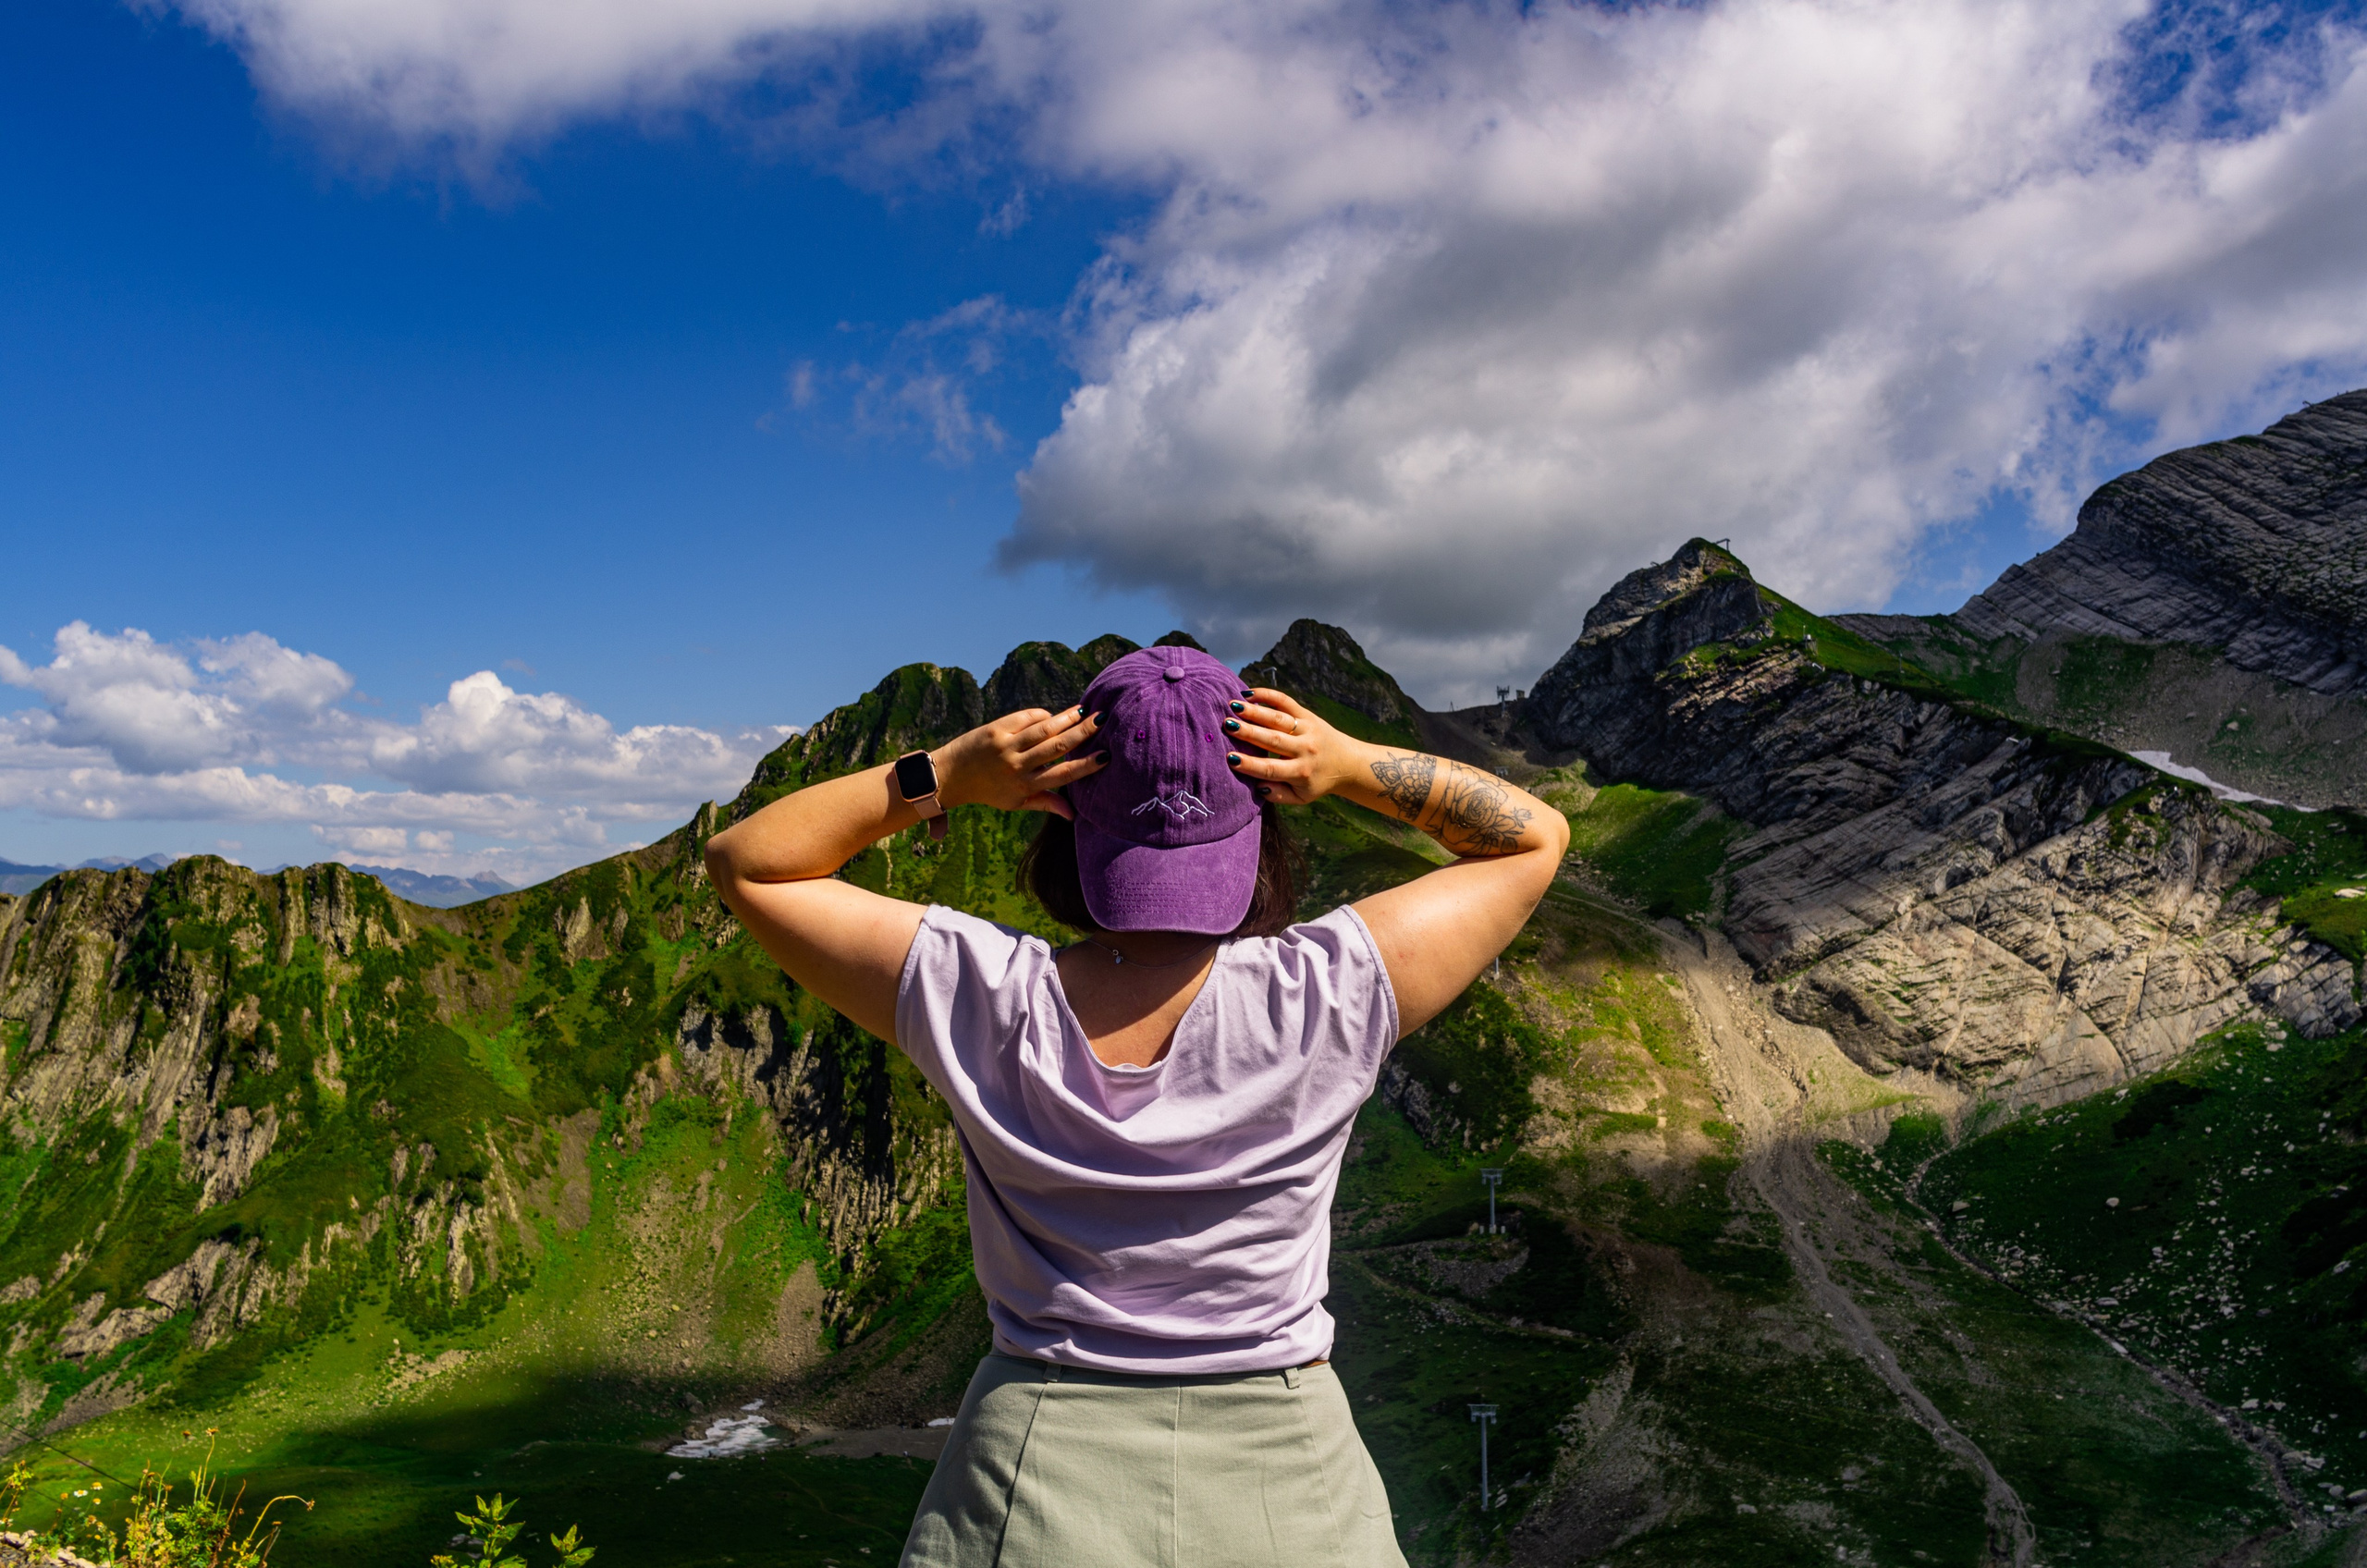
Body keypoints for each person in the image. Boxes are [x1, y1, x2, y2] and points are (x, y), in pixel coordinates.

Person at [705, 645, 1569, 1568]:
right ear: (1263, 826)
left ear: (1066, 820)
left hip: (1027, 1470)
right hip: (1289, 1474)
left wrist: (948, 775)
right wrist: (1349, 766)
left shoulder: (979, 990)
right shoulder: (1331, 987)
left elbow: (749, 863)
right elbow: (1533, 837)